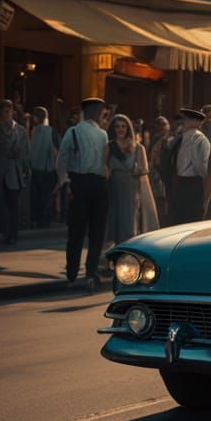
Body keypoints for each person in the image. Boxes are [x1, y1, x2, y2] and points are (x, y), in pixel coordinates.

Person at [56, 97, 110, 289]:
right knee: (97, 232)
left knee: (76, 231)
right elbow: (105, 162)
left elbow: (62, 158)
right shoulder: (103, 134)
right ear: (97, 113)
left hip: (79, 183)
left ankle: (72, 274)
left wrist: (64, 181)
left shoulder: (72, 132)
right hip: (99, 184)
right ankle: (91, 273)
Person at [105, 114, 158, 244]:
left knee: (130, 223)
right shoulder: (109, 147)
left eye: (123, 126)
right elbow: (104, 167)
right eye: (117, 126)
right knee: (114, 222)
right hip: (113, 187)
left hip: (131, 189)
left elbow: (143, 173)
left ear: (128, 128)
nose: (120, 129)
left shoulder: (138, 147)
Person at [0, 98, 30, 245]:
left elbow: (25, 152)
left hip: (15, 173)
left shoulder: (20, 130)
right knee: (2, 206)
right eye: (4, 112)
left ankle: (13, 234)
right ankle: (5, 232)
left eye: (9, 111)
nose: (7, 114)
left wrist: (25, 170)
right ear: (0, 114)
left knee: (14, 205)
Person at [168, 108, 210, 225]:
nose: (183, 122)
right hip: (185, 183)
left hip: (189, 184)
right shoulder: (184, 137)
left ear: (195, 122)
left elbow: (202, 169)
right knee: (184, 219)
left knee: (187, 219)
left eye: (186, 119)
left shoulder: (198, 139)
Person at [28, 106, 59, 228]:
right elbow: (56, 150)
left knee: (37, 196)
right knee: (46, 196)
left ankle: (37, 219)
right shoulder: (51, 131)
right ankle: (45, 220)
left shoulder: (33, 131)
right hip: (47, 168)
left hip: (35, 168)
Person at [147, 116, 172, 226]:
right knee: (159, 203)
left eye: (164, 124)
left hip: (166, 175)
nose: (162, 127)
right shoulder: (155, 139)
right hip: (157, 176)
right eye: (160, 125)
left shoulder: (171, 139)